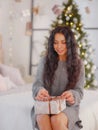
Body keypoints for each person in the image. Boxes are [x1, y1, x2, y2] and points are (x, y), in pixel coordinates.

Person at [32, 26, 85, 130]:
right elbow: (37, 84)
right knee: (42, 118)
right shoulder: (44, 61)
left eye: (63, 42)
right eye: (55, 42)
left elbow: (79, 91)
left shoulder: (78, 64)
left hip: (67, 107)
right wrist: (39, 91)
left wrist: (72, 95)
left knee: (56, 120)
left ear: (69, 44)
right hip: (45, 105)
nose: (59, 46)